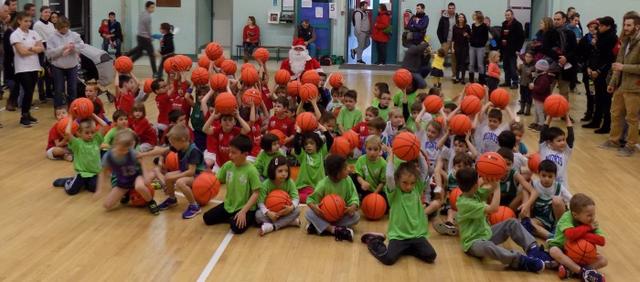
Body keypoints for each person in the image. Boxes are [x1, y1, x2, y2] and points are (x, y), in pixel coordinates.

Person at [455, 167, 550, 273]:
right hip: (472, 243)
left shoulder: (472, 193)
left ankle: (533, 249)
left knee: (512, 222)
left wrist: (493, 179)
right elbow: (494, 208)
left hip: (486, 233)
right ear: (474, 185)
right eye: (478, 179)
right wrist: (497, 187)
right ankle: (520, 261)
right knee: (488, 247)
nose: (480, 180)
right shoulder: (465, 203)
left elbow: (488, 188)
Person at [360, 145, 437, 265]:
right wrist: (391, 156)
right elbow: (390, 176)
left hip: (416, 235)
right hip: (398, 236)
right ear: (397, 180)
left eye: (412, 183)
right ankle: (374, 240)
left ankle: (405, 250)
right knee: (388, 259)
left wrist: (417, 151)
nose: (408, 186)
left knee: (431, 256)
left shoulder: (417, 188)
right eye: (405, 183)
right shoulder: (394, 192)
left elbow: (424, 169)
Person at [202, 135, 261, 233]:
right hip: (229, 205)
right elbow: (217, 180)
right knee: (207, 218)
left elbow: (256, 193)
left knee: (236, 228)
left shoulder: (251, 171)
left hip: (246, 208)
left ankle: (249, 218)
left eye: (234, 153)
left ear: (245, 154)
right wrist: (206, 179)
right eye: (230, 151)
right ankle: (232, 216)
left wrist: (243, 211)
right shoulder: (228, 165)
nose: (230, 155)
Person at [601, 11, 640, 157]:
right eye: (624, 24)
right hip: (621, 85)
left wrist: (624, 68)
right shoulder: (625, 41)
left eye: (629, 25)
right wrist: (612, 82)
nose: (626, 27)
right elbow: (618, 64)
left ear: (637, 26)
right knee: (616, 113)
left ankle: (630, 145)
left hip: (635, 87)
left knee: (632, 118)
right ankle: (614, 140)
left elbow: (623, 66)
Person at [95, 129, 160, 215]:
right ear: (115, 144)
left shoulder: (132, 153)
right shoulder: (108, 156)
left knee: (140, 186)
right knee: (107, 205)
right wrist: (99, 189)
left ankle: (151, 202)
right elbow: (102, 173)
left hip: (136, 177)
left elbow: (142, 161)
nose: (125, 152)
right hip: (123, 182)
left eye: (127, 150)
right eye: (122, 150)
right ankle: (128, 192)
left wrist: (145, 175)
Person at [150, 124, 206, 219]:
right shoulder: (180, 146)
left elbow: (191, 172)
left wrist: (175, 178)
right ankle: (172, 199)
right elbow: (163, 151)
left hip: (199, 176)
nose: (172, 145)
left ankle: (194, 206)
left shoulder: (193, 151)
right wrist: (142, 154)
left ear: (183, 139)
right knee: (167, 176)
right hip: (188, 172)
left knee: (180, 182)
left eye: (173, 143)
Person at [548, 193, 607, 281]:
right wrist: (588, 228)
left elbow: (602, 241)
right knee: (553, 251)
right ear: (575, 215)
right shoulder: (567, 217)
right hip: (563, 249)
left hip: (580, 255)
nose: (592, 218)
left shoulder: (591, 221)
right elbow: (571, 235)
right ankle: (581, 272)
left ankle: (570, 271)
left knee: (603, 260)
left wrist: (579, 234)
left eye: (593, 214)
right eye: (589, 215)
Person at [305, 154, 360, 242]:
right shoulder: (322, 184)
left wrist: (353, 206)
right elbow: (310, 200)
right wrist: (314, 208)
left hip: (340, 215)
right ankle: (334, 230)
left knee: (356, 217)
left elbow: (354, 197)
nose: (348, 170)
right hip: (324, 216)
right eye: (345, 169)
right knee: (308, 213)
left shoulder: (348, 180)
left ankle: (320, 227)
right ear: (337, 174)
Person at [52, 112, 109, 195]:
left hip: (94, 174)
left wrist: (92, 114)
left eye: (92, 132)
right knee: (71, 191)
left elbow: (105, 125)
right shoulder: (77, 143)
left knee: (94, 189)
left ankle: (82, 184)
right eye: (87, 132)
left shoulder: (96, 140)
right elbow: (68, 133)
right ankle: (67, 181)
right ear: (79, 133)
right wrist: (71, 118)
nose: (90, 135)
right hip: (82, 174)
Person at [583, 17, 618, 134]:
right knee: (597, 98)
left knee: (606, 100)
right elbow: (593, 55)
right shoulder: (600, 37)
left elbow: (609, 59)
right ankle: (596, 121)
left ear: (608, 26)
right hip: (594, 71)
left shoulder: (612, 38)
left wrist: (598, 70)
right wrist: (589, 67)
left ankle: (606, 125)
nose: (599, 28)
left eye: (602, 26)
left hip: (605, 73)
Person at [10, 12, 44, 127]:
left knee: (30, 92)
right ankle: (23, 116)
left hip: (34, 66)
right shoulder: (15, 35)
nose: (28, 23)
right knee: (28, 91)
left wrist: (31, 48)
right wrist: (34, 49)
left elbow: (42, 48)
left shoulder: (34, 33)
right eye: (25, 21)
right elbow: (22, 52)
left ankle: (27, 113)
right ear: (19, 21)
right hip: (22, 68)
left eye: (30, 21)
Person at [256, 156, 301, 236]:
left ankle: (273, 226)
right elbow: (260, 202)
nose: (284, 174)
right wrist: (268, 213)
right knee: (257, 215)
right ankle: (288, 222)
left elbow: (296, 198)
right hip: (271, 212)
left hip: (285, 211)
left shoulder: (289, 182)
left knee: (297, 211)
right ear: (273, 171)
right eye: (280, 171)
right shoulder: (266, 184)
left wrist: (291, 208)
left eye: (286, 171)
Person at [46, 16, 84, 108]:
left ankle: (73, 108)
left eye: (67, 27)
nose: (65, 29)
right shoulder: (51, 37)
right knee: (59, 89)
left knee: (72, 88)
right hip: (57, 66)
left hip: (72, 65)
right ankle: (58, 109)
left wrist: (73, 47)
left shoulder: (74, 35)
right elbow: (50, 53)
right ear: (58, 28)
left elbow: (82, 46)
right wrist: (63, 47)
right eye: (63, 27)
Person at [548, 11, 578, 101]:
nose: (556, 21)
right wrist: (556, 57)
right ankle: (545, 114)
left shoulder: (570, 34)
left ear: (564, 20)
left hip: (565, 67)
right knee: (548, 90)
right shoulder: (550, 33)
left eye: (558, 19)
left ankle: (564, 114)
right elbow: (546, 49)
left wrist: (566, 57)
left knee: (564, 92)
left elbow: (574, 50)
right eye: (554, 19)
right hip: (552, 65)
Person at [126, 1, 157, 75]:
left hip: (140, 36)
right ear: (147, 8)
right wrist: (150, 37)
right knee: (152, 55)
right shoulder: (148, 16)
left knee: (139, 53)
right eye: (151, 7)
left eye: (154, 7)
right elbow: (148, 28)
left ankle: (125, 63)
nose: (153, 9)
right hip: (145, 38)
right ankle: (155, 73)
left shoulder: (142, 13)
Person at [577, 20, 599, 122]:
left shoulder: (603, 39)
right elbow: (581, 54)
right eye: (591, 27)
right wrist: (585, 66)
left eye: (595, 27)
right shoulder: (585, 39)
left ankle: (599, 113)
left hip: (599, 72)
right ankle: (589, 112)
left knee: (599, 94)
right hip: (588, 71)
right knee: (590, 93)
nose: (593, 29)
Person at [33, 6, 55, 103]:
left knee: (49, 74)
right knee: (41, 74)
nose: (47, 14)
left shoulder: (51, 24)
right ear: (41, 13)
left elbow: (54, 37)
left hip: (50, 51)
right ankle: (42, 95)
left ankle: (49, 92)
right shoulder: (37, 25)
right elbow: (40, 40)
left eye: (49, 12)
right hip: (41, 52)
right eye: (45, 12)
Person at [500, 9, 525, 89]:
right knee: (505, 66)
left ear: (512, 15)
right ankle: (507, 82)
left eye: (508, 15)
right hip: (505, 49)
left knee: (512, 67)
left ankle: (514, 82)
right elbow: (502, 36)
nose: (507, 16)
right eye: (506, 15)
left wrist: (518, 49)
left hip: (513, 50)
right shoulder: (504, 24)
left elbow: (521, 38)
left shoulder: (518, 24)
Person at [436, 2, 458, 79]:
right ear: (447, 9)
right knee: (441, 58)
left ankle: (454, 75)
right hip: (446, 41)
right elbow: (438, 31)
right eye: (450, 8)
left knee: (454, 59)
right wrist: (442, 42)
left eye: (452, 8)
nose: (451, 10)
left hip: (454, 42)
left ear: (455, 9)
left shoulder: (458, 17)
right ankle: (438, 74)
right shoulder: (443, 18)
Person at [469, 11, 488, 84]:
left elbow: (486, 37)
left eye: (474, 15)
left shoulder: (484, 26)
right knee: (471, 64)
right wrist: (471, 40)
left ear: (478, 16)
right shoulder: (473, 25)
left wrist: (481, 43)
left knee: (480, 65)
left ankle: (481, 81)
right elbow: (472, 35)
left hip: (480, 47)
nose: (473, 16)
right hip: (472, 47)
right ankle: (471, 81)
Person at [452, 13, 470, 84]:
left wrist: (467, 35)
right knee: (457, 63)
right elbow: (453, 38)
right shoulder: (455, 27)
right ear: (458, 19)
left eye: (462, 17)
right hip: (457, 47)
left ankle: (462, 79)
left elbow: (470, 37)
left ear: (464, 19)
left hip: (465, 47)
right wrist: (452, 48)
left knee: (463, 63)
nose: (461, 18)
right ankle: (457, 78)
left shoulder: (467, 27)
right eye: (459, 17)